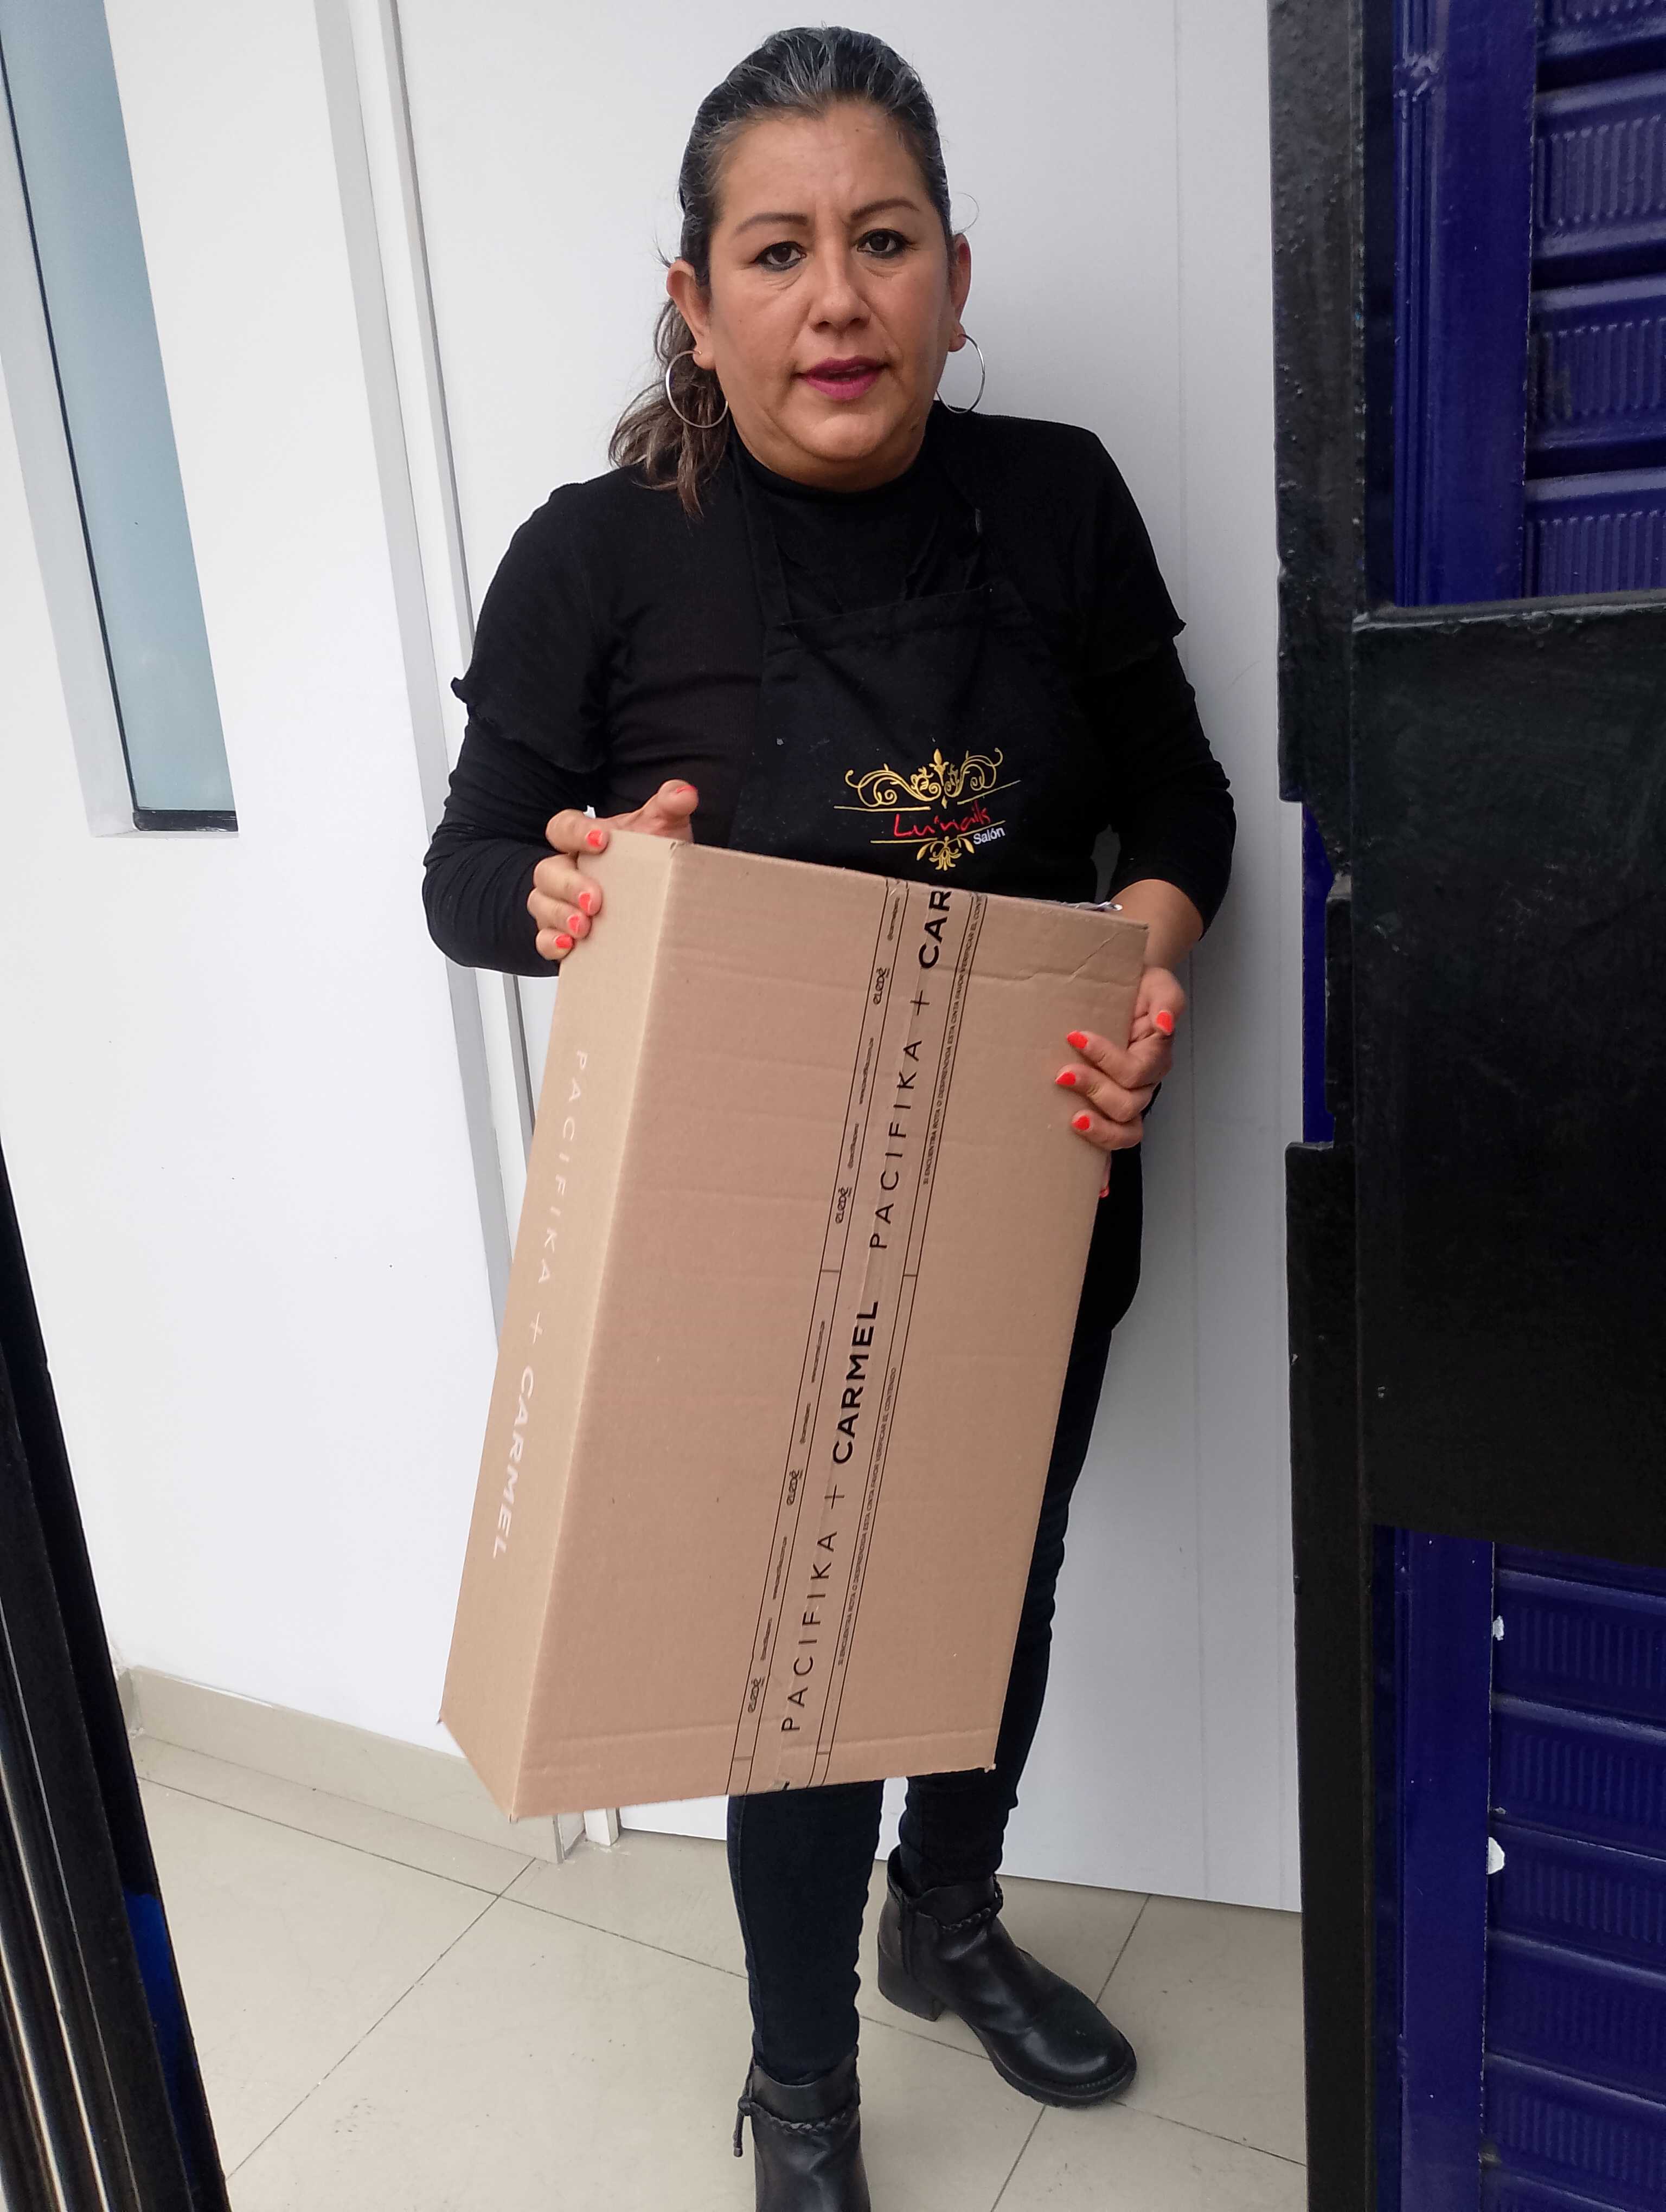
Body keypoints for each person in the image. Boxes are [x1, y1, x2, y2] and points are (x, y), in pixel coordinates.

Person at [422, 26, 1234, 2210]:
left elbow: (1182, 806)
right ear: (694, 303)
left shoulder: (1056, 500)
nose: (838, 298)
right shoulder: (599, 558)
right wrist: (567, 887)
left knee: (994, 1578)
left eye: (884, 242)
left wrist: (1143, 961)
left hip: (1040, 1166)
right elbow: (468, 872)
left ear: (956, 278)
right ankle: (800, 2090)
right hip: (748, 1207)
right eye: (777, 253)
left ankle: (943, 1915)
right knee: (791, 1665)